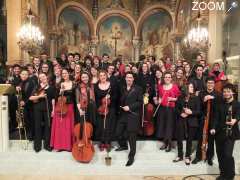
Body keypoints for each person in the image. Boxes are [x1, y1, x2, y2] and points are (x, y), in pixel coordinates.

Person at [211, 84, 240, 180]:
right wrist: (213, 128)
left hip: (231, 134)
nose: (226, 93)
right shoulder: (219, 104)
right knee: (220, 155)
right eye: (224, 92)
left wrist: (235, 120)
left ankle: (230, 175)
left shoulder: (237, 104)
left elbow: (239, 114)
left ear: (233, 92)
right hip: (219, 133)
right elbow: (215, 118)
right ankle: (223, 174)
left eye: (228, 91)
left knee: (227, 155)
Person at [115, 72, 143, 166]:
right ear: (125, 79)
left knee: (132, 137)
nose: (129, 79)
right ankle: (123, 145)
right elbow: (120, 99)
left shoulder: (138, 89)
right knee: (118, 132)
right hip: (123, 114)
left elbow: (140, 102)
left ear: (133, 79)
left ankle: (131, 157)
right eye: (127, 77)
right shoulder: (122, 88)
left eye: (130, 77)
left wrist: (130, 107)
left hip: (132, 115)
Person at [192, 77, 221, 165]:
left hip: (213, 120)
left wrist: (213, 99)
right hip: (203, 119)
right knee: (201, 138)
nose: (210, 84)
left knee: (211, 140)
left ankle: (209, 157)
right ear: (206, 84)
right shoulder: (201, 94)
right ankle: (198, 156)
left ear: (214, 84)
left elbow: (218, 110)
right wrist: (204, 101)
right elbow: (198, 108)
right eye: (208, 83)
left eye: (212, 83)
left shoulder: (218, 94)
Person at [173, 83, 200, 165]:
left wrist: (190, 112)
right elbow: (176, 109)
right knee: (179, 138)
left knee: (189, 140)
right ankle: (180, 155)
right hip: (181, 120)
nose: (192, 88)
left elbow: (199, 111)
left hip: (192, 121)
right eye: (190, 87)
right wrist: (181, 113)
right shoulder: (180, 98)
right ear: (186, 88)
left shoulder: (196, 98)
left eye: (192, 86)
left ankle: (187, 156)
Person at [29, 73, 55, 152]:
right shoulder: (37, 87)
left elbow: (53, 99)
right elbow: (31, 98)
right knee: (37, 126)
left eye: (43, 76)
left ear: (46, 77)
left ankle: (47, 146)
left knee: (48, 127)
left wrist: (53, 110)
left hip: (48, 108)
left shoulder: (51, 87)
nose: (42, 78)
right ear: (39, 79)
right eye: (40, 77)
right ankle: (37, 146)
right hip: (38, 108)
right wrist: (40, 96)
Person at [50, 69, 75, 151]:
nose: (64, 74)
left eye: (66, 73)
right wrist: (60, 92)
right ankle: (59, 146)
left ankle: (68, 146)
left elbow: (75, 96)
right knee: (60, 127)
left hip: (69, 106)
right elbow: (55, 97)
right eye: (63, 73)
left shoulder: (73, 83)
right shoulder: (58, 84)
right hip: (60, 106)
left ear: (69, 74)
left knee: (68, 127)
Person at [156, 72, 180, 152]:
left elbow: (179, 98)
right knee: (163, 125)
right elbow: (160, 96)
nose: (167, 78)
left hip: (171, 109)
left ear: (171, 78)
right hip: (162, 109)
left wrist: (172, 99)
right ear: (164, 78)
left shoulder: (174, 87)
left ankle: (169, 143)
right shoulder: (160, 87)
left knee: (169, 126)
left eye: (169, 77)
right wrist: (159, 100)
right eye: (166, 77)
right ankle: (165, 142)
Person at [94, 70, 117, 150]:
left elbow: (116, 96)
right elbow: (96, 99)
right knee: (101, 126)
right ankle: (102, 142)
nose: (102, 77)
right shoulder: (96, 86)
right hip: (101, 108)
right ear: (98, 77)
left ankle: (108, 142)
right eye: (101, 75)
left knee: (109, 125)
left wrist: (110, 98)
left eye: (104, 75)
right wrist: (100, 107)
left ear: (106, 76)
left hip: (110, 108)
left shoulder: (111, 85)